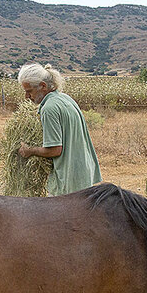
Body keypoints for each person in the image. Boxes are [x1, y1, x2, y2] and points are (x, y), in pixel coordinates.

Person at [17, 63, 102, 195]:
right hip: (84, 172)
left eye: (29, 91)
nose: (27, 97)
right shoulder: (66, 99)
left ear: (43, 86)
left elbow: (55, 150)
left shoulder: (49, 108)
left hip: (68, 180)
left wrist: (30, 150)